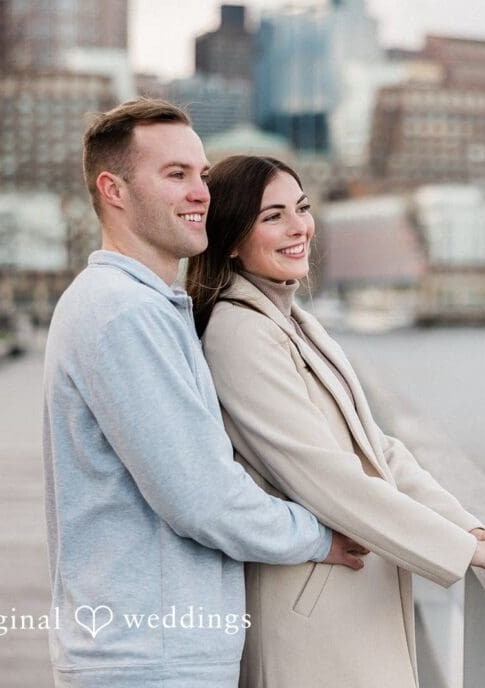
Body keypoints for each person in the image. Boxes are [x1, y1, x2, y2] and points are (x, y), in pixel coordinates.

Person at [187, 155, 485, 688]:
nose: (299, 227)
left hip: (351, 596)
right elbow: (326, 475)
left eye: (301, 208)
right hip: (312, 610)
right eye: (272, 216)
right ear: (230, 239)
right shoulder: (239, 333)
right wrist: (471, 552)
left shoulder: (292, 319)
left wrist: (468, 527)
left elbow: (378, 449)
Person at [42, 101, 366, 688]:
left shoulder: (150, 306)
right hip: (149, 659)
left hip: (161, 651)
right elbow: (202, 499)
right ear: (113, 190)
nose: (201, 192)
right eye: (175, 175)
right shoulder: (124, 313)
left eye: (201, 173)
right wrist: (320, 536)